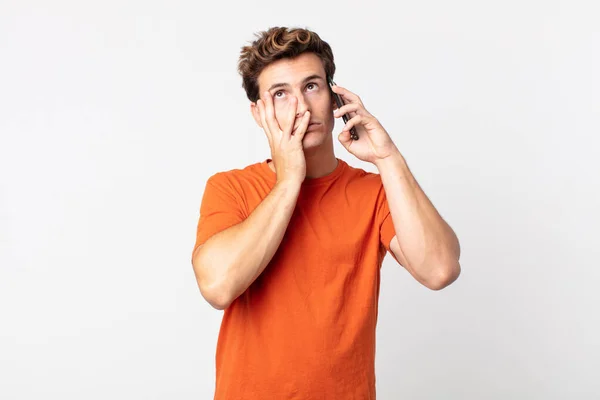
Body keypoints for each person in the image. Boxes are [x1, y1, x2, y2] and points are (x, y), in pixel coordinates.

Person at [191, 26, 461, 399]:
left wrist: (387, 157)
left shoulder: (373, 193)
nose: (301, 106)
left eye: (312, 86)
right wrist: (289, 181)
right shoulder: (230, 187)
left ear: (335, 98)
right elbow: (218, 286)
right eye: (281, 94)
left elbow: (440, 269)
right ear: (258, 113)